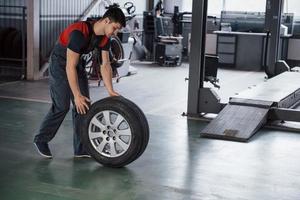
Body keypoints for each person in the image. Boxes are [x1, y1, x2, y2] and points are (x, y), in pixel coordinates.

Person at [33, 6, 126, 158]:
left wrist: (110, 90)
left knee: (83, 105)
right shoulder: (79, 32)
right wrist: (76, 95)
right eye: (115, 28)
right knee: (62, 105)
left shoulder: (104, 38)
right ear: (107, 21)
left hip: (77, 64)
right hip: (61, 63)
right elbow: (69, 66)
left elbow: (105, 64)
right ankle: (41, 139)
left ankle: (81, 148)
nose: (115, 33)